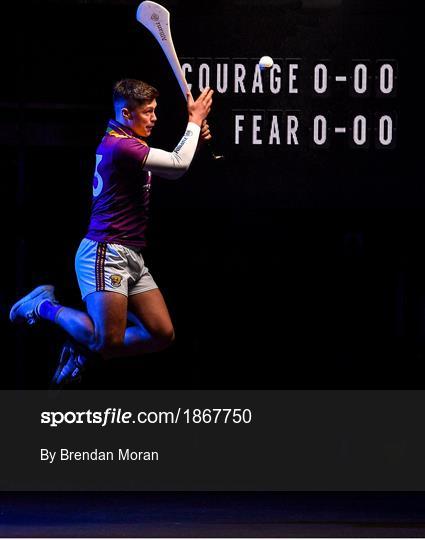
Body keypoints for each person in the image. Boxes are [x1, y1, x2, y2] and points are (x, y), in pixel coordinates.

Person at [10, 79, 213, 386]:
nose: (154, 117)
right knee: (106, 343)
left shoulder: (129, 139)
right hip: (106, 251)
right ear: (127, 113)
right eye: (148, 112)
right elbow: (176, 165)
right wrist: (194, 123)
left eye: (155, 110)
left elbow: (174, 160)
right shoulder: (121, 145)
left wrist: (194, 135)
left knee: (161, 333)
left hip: (131, 252)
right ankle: (43, 306)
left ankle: (82, 344)